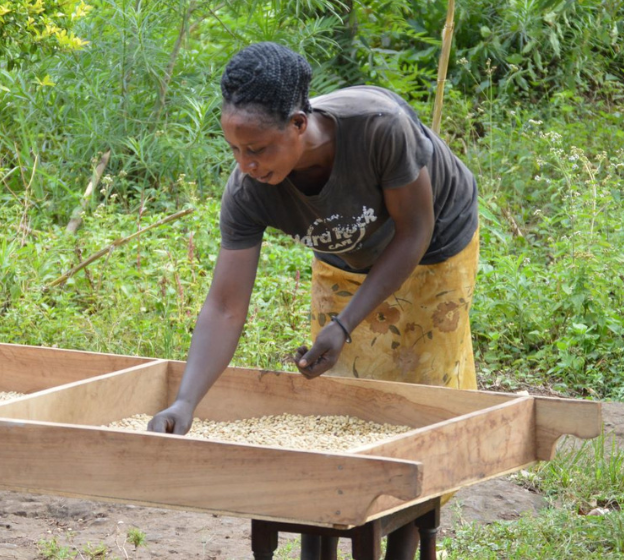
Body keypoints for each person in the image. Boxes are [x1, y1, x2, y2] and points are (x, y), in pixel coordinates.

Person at [146, 42, 480, 560]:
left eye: (257, 149)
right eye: (234, 149)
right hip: (343, 248)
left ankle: (403, 539)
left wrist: (344, 324)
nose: (246, 164)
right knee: (340, 393)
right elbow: (225, 305)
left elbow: (414, 230)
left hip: (432, 243)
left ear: (299, 124)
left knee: (416, 393)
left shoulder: (379, 126)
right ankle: (324, 534)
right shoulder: (248, 189)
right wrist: (186, 401)